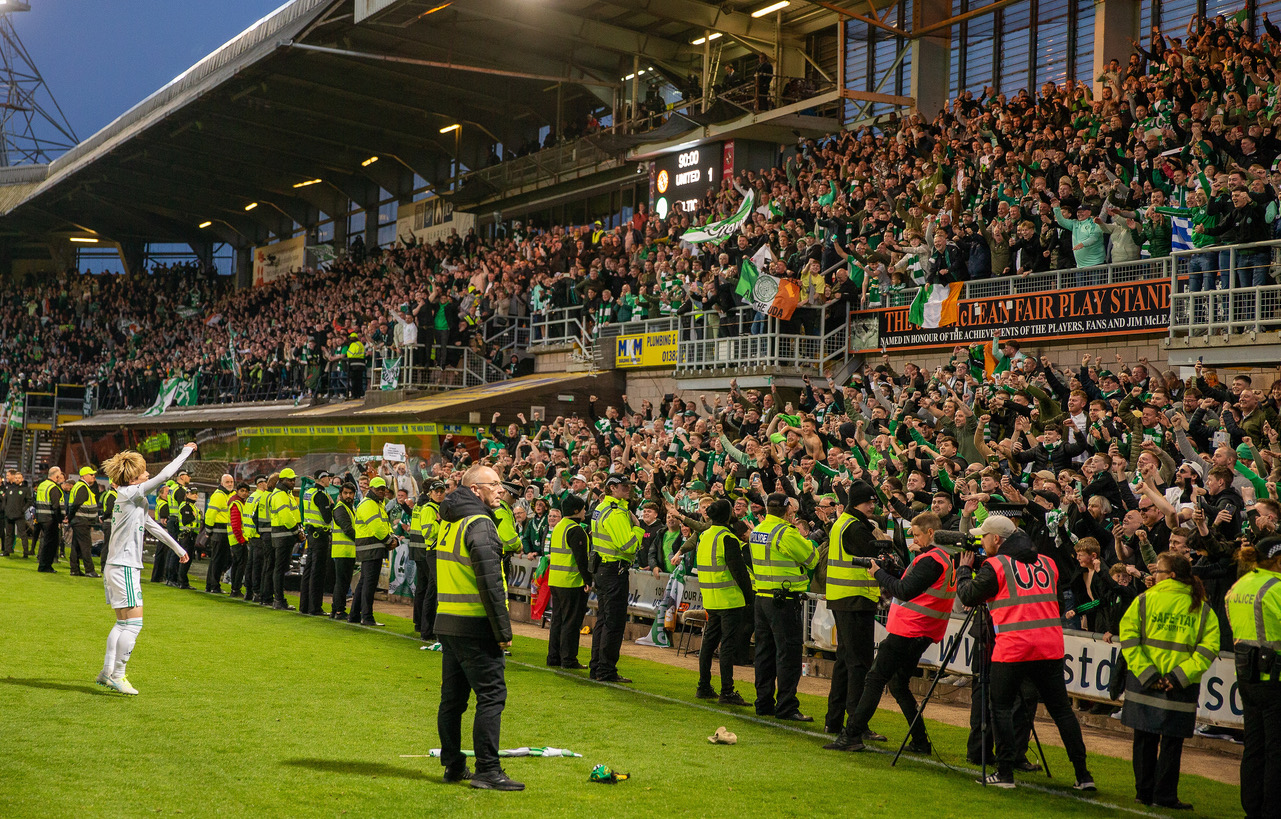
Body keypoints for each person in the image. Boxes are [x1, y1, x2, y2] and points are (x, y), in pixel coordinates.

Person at [956, 514, 1096, 790]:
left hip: (1013, 647)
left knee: (1001, 707)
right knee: (1062, 711)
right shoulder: (1047, 562)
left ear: (997, 539)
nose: (981, 542)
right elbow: (1056, 604)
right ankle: (1083, 775)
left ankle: (1005, 773)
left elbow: (968, 595)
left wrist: (963, 570)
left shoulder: (997, 565)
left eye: (984, 537)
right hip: (1050, 646)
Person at [828, 512, 953, 752]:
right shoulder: (941, 558)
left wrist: (878, 573)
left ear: (930, 533)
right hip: (922, 630)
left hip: (910, 630)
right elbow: (910, 583)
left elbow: (903, 590)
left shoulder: (931, 560)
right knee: (897, 684)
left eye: (917, 535)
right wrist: (893, 570)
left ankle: (852, 735)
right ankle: (920, 741)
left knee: (875, 679)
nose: (914, 540)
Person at [435, 464, 522, 791]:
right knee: (492, 696)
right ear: (475, 489)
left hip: (448, 621)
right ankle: (488, 769)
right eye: (494, 484)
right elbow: (490, 584)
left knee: (452, 700)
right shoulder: (480, 523)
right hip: (475, 624)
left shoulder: (450, 521)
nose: (501, 489)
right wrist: (503, 632)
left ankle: (454, 765)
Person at [1119, 551, 1220, 810]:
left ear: (1171, 575)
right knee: (1172, 743)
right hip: (1180, 686)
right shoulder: (1202, 607)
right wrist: (1178, 677)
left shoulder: (1144, 600)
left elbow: (1128, 638)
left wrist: (1147, 674)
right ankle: (1164, 796)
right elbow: (1208, 649)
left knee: (1144, 739)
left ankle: (1143, 793)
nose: (1154, 575)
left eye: (1158, 571)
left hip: (1145, 682)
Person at [96, 443, 196, 695]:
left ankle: (107, 672)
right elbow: (165, 475)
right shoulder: (131, 493)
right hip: (124, 567)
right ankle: (118, 675)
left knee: (122, 624)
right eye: (143, 472)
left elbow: (153, 527)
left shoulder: (131, 498)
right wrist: (185, 452)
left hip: (116, 565)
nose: (148, 474)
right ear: (133, 478)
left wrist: (178, 549)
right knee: (134, 625)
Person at [750, 493, 819, 721]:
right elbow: (812, 558)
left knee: (764, 653)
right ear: (788, 509)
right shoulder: (785, 532)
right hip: (784, 600)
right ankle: (786, 706)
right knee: (788, 654)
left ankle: (763, 703)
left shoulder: (758, 530)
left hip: (762, 597)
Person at [1225, 536, 1281, 819]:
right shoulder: (1277, 588)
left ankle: (1252, 808)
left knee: (1254, 745)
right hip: (1275, 677)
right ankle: (1273, 809)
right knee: (1276, 749)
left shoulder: (1239, 585)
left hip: (1246, 673)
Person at [824, 482, 885, 737]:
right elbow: (876, 556)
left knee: (845, 661)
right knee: (859, 664)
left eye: (873, 502)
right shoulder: (856, 527)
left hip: (843, 598)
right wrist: (882, 540)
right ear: (857, 503)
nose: (872, 506)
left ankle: (834, 720)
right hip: (856, 599)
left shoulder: (844, 522)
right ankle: (856, 724)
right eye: (868, 502)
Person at [687, 498, 751, 704]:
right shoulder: (727, 538)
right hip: (730, 599)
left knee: (708, 643)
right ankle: (727, 691)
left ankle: (703, 686)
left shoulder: (704, 535)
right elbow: (739, 571)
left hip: (711, 598)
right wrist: (749, 597)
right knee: (728, 647)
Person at [589, 474, 641, 683]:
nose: (628, 489)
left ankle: (597, 667)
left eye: (629, 485)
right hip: (614, 570)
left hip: (603, 568)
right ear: (612, 487)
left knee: (603, 620)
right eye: (623, 486)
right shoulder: (617, 512)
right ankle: (606, 670)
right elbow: (628, 546)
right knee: (614, 623)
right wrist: (637, 528)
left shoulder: (601, 507)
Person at [545, 494, 592, 669]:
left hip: (555, 580)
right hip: (571, 582)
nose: (585, 511)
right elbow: (581, 559)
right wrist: (588, 580)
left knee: (557, 621)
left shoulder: (559, 527)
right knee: (571, 622)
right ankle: (568, 659)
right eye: (583, 508)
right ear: (576, 510)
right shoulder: (575, 530)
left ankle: (554, 657)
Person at [350, 476, 392, 626]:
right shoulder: (369, 504)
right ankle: (367, 616)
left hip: (371, 547)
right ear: (371, 489)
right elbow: (377, 527)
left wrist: (390, 536)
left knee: (364, 582)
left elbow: (384, 524)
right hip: (371, 546)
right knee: (369, 583)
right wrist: (389, 540)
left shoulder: (375, 503)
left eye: (383, 489)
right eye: (378, 489)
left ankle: (355, 614)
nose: (381, 491)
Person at [410, 479, 446, 641]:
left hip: (438, 552)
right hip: (433, 551)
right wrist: (441, 522)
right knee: (433, 591)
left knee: (431, 591)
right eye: (436, 491)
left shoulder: (439, 508)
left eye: (441, 491)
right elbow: (428, 532)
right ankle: (429, 629)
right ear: (430, 493)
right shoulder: (428, 509)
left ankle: (428, 629)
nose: (439, 494)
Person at [299, 470, 334, 615]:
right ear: (322, 479)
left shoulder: (309, 493)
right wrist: (332, 505)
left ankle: (304, 606)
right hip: (320, 536)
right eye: (328, 477)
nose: (330, 480)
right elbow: (327, 518)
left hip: (311, 534)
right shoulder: (321, 495)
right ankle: (315, 607)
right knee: (318, 572)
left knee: (308, 571)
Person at [267, 469, 300, 610]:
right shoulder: (280, 495)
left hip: (284, 535)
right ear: (281, 480)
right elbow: (286, 516)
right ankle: (279, 600)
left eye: (293, 479)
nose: (293, 482)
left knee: (280, 568)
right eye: (289, 480)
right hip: (283, 535)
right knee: (280, 568)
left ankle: (279, 599)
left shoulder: (285, 494)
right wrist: (297, 531)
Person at [66, 466, 101, 578]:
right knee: (86, 546)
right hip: (82, 521)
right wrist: (70, 517)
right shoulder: (83, 487)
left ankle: (74, 569)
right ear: (84, 476)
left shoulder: (79, 486)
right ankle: (89, 570)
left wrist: (70, 517)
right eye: (91, 474)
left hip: (79, 520)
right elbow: (77, 504)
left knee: (76, 546)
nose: (94, 476)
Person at [330, 481, 358, 619]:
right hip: (342, 551)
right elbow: (348, 529)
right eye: (345, 493)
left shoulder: (349, 508)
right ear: (340, 494)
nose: (348, 496)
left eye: (350, 493)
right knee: (342, 582)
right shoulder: (340, 509)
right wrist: (361, 540)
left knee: (343, 582)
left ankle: (336, 610)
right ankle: (339, 611)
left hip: (347, 551)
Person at [204, 474, 234, 594]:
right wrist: (208, 529)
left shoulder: (229, 495)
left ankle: (211, 585)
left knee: (218, 559)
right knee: (217, 560)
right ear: (222, 483)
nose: (230, 484)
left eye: (231, 482)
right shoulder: (219, 495)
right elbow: (210, 514)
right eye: (227, 482)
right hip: (219, 531)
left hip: (224, 531)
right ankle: (214, 585)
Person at [34, 465, 65, 573]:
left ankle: (43, 565)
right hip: (50, 519)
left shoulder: (42, 485)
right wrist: (60, 520)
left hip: (41, 517)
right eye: (60, 475)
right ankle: (45, 566)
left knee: (46, 542)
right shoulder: (53, 487)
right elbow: (56, 506)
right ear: (56, 476)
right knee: (51, 543)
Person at [253, 473, 276, 603]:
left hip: (263, 534)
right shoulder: (273, 497)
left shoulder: (263, 496)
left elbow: (254, 517)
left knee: (265, 565)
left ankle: (262, 594)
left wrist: (260, 531)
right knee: (270, 565)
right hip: (271, 534)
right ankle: (267, 596)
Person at [243, 475, 266, 602]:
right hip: (257, 536)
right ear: (261, 483)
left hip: (250, 535)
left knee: (250, 564)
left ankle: (249, 591)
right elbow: (256, 517)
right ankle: (257, 592)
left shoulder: (251, 497)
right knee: (257, 566)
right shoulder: (261, 497)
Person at [227, 482, 252, 597]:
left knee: (237, 564)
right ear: (237, 491)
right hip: (237, 539)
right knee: (240, 564)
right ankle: (236, 589)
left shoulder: (239, 502)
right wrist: (241, 539)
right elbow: (236, 524)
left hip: (237, 538)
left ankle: (235, 589)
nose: (244, 493)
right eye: (242, 491)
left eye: (246, 491)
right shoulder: (236, 504)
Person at [2, 469, 34, 558]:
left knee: (23, 534)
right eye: (16, 478)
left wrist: (23, 509)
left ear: (22, 479)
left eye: (19, 478)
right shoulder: (9, 488)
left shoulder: (25, 489)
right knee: (8, 534)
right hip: (9, 514)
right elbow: (5, 500)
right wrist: (5, 508)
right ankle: (7, 550)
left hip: (19, 515)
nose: (17, 479)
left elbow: (29, 501)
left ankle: (25, 552)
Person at [173, 488, 200, 589]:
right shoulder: (186, 506)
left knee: (187, 559)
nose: (195, 495)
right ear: (187, 494)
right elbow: (185, 521)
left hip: (190, 536)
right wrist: (193, 516)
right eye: (192, 493)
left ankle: (182, 581)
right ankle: (182, 582)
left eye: (196, 493)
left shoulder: (192, 506)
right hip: (186, 536)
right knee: (185, 559)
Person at [150, 485, 172, 583]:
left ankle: (156, 576)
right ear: (161, 494)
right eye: (167, 492)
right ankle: (159, 577)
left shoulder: (159, 503)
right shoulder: (164, 505)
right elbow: (164, 521)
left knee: (160, 554)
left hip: (160, 531)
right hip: (164, 532)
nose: (168, 494)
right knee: (162, 555)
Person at [345, 332, 366, 399]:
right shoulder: (361, 344)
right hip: (361, 364)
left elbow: (349, 354)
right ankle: (359, 394)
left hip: (354, 364)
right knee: (359, 380)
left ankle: (354, 394)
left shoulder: (353, 344)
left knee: (354, 380)